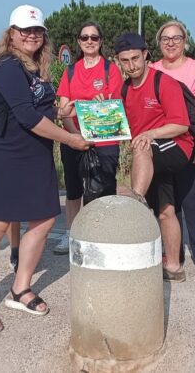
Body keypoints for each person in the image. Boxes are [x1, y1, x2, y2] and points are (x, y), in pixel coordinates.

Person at [0, 5, 90, 333]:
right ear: (12, 33)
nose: (31, 35)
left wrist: (61, 111)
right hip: (5, 153)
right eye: (25, 30)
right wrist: (72, 139)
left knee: (44, 218)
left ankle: (20, 289)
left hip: (35, 154)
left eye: (36, 30)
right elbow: (27, 117)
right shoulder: (7, 65)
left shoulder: (35, 68)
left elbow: (39, 110)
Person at [115, 32, 194, 282]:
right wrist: (101, 104)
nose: (131, 65)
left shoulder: (164, 83)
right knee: (165, 209)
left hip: (176, 146)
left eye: (136, 59)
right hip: (151, 152)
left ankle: (135, 203)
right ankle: (173, 267)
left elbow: (181, 125)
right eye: (125, 61)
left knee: (141, 149)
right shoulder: (125, 89)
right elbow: (118, 124)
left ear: (146, 55)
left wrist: (150, 134)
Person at [150, 20, 195, 277]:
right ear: (159, 43)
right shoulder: (152, 69)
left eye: (176, 38)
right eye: (165, 38)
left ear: (185, 41)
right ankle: (172, 252)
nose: (170, 43)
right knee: (166, 202)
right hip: (160, 146)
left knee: (192, 201)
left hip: (189, 145)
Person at [52, 22, 122, 255]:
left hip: (105, 140)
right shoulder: (70, 71)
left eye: (94, 37)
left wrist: (100, 116)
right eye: (84, 37)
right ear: (79, 42)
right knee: (73, 190)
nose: (89, 41)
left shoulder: (110, 70)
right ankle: (71, 235)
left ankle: (104, 235)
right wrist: (76, 135)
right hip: (73, 137)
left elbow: (115, 106)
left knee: (104, 189)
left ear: (101, 41)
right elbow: (64, 109)